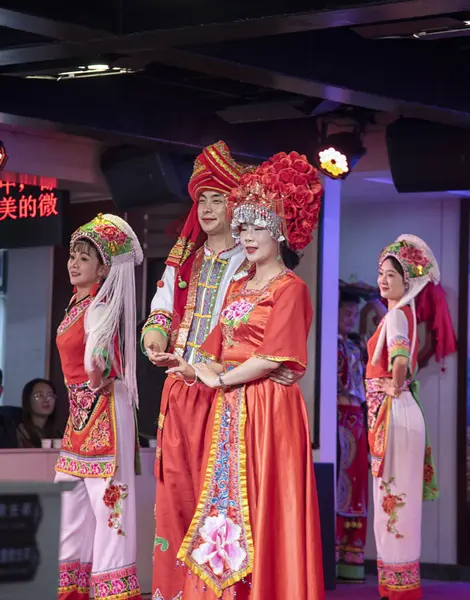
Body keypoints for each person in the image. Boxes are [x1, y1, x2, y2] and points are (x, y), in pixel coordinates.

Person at [160, 150, 325, 599]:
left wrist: (221, 378)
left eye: (258, 227)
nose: (248, 236)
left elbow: (275, 357)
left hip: (269, 409)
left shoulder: (292, 288)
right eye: (245, 227)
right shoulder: (237, 285)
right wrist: (189, 367)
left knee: (262, 501)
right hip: (231, 405)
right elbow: (213, 350)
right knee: (222, 502)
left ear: (281, 232)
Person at [54, 213, 143, 600]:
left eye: (84, 258)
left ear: (103, 267)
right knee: (69, 503)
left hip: (105, 406)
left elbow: (98, 363)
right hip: (80, 414)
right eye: (72, 256)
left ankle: (112, 593)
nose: (74, 263)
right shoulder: (76, 306)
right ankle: (70, 589)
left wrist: (95, 372)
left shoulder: (100, 307)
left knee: (110, 508)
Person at [366, 234, 440, 600]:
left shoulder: (396, 314)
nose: (383, 280)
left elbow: (398, 358)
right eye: (381, 273)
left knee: (391, 505)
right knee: (400, 507)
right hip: (404, 411)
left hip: (394, 412)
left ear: (407, 282)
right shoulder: (406, 313)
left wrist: (394, 384)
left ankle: (396, 593)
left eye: (391, 276)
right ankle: (402, 588)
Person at [336, 292, 368, 583]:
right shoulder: (332, 346)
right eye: (346, 313)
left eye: (353, 314)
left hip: (356, 417)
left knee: (356, 482)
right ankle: (336, 552)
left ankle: (352, 554)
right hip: (339, 417)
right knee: (340, 481)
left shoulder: (355, 344)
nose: (351, 319)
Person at [17, 378, 61, 448]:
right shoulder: (19, 433)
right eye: (40, 395)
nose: (46, 400)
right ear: (28, 400)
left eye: (50, 395)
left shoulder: (59, 433)